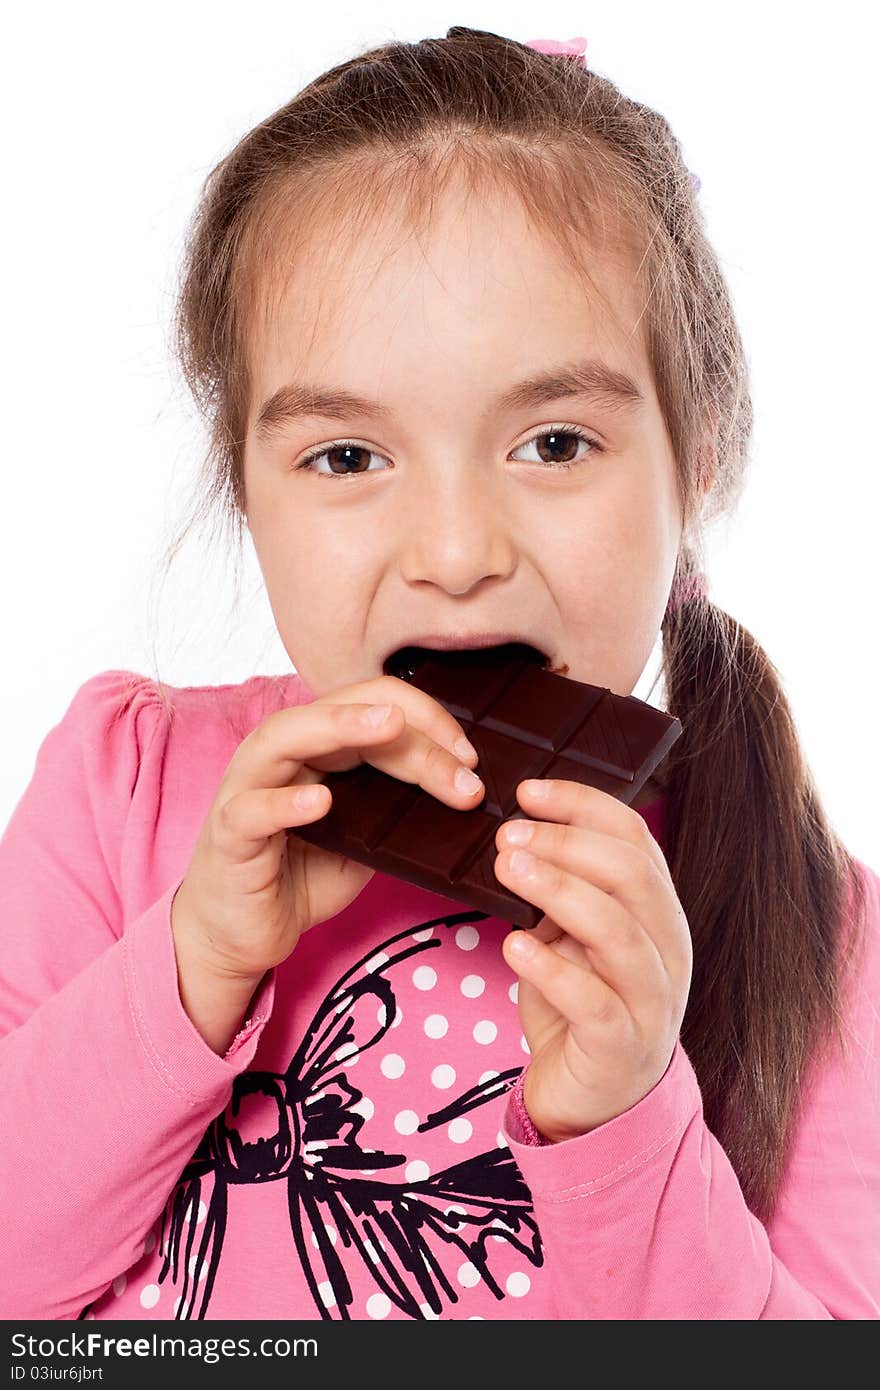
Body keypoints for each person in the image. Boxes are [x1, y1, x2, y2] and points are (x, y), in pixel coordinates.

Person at [0, 26, 877, 1322]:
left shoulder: (821, 936)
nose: (457, 552)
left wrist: (624, 1120)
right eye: (348, 457)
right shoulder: (123, 792)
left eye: (555, 440)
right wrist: (189, 964)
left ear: (692, 470)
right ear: (246, 489)